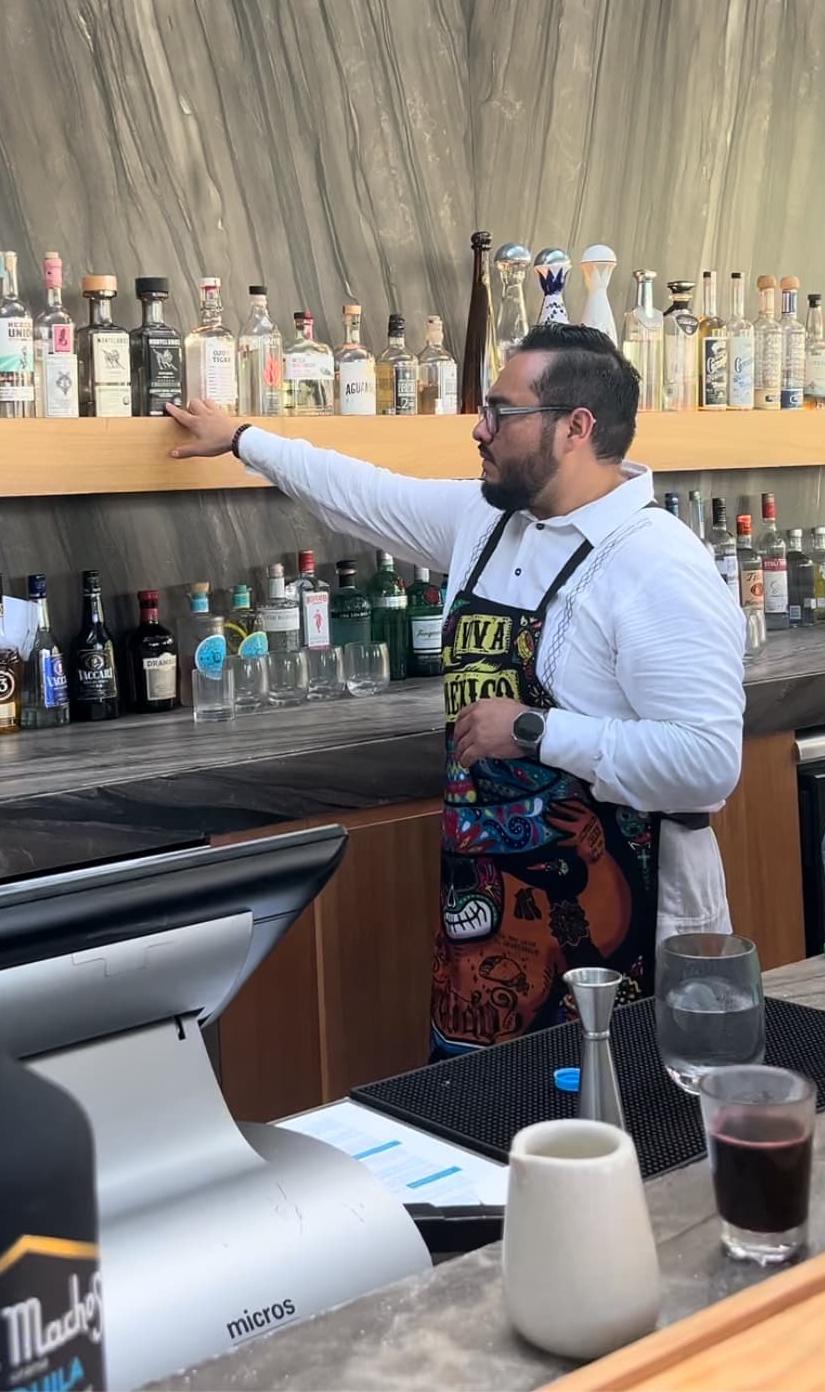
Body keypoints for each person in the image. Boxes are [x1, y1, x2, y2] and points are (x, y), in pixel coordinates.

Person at [167, 323, 746, 1055]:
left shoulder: (659, 566)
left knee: (616, 1128)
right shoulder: (489, 520)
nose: (479, 429)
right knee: (491, 1116)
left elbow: (706, 762)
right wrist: (243, 438)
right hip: (486, 899)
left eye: (501, 412)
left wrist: (535, 730)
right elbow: (362, 495)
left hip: (623, 917)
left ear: (575, 427)